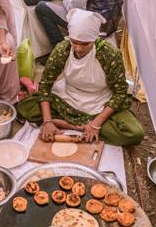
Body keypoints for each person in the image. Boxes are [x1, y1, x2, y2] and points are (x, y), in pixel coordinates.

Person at [16, 9, 144, 146]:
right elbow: (46, 85)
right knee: (24, 107)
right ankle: (74, 126)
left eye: (84, 44)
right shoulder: (62, 50)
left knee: (134, 133)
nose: (78, 48)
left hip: (100, 101)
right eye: (74, 42)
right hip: (68, 97)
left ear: (94, 40)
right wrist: (47, 121)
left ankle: (70, 124)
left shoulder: (109, 54)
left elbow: (120, 92)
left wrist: (96, 124)